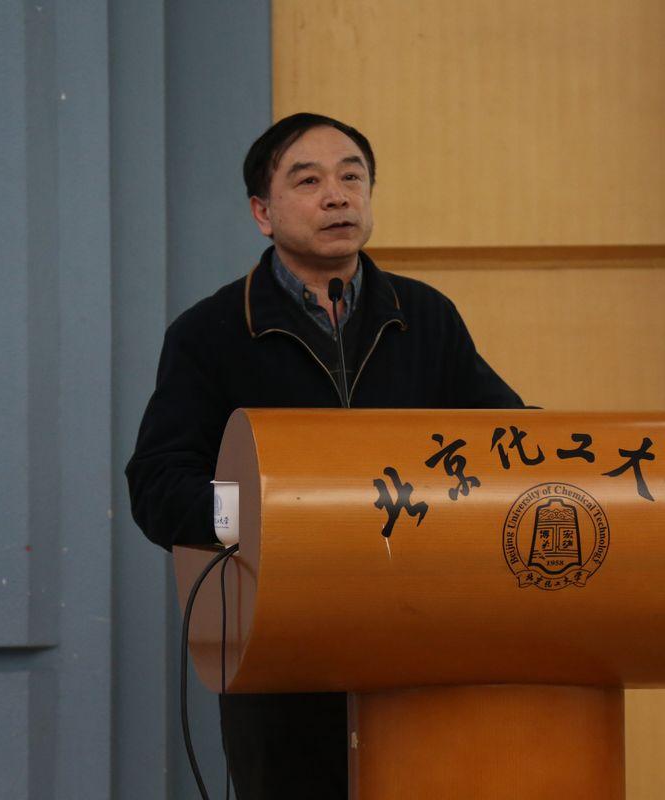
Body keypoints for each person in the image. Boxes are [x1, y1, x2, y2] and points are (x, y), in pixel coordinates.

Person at [126, 112, 524, 799]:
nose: (337, 196)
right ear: (262, 212)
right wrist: (261, 517)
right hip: (281, 657)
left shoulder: (424, 316)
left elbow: (506, 446)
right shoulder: (211, 332)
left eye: (352, 177)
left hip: (420, 644)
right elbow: (158, 487)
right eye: (308, 181)